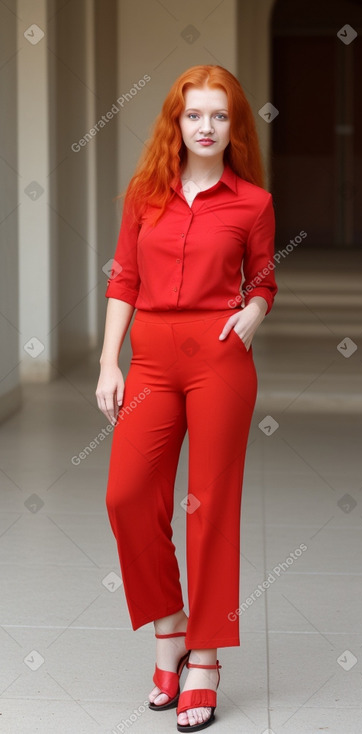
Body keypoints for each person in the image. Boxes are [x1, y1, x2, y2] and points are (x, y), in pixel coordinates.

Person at [96, 64, 278, 732]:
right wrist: (109, 363)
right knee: (126, 495)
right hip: (151, 357)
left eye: (219, 116)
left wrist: (254, 311)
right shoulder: (144, 196)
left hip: (219, 359)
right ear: (176, 122)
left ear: (234, 127)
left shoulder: (252, 203)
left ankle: (202, 657)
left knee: (210, 507)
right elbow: (123, 278)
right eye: (194, 115)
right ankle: (168, 625)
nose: (206, 127)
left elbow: (262, 279)